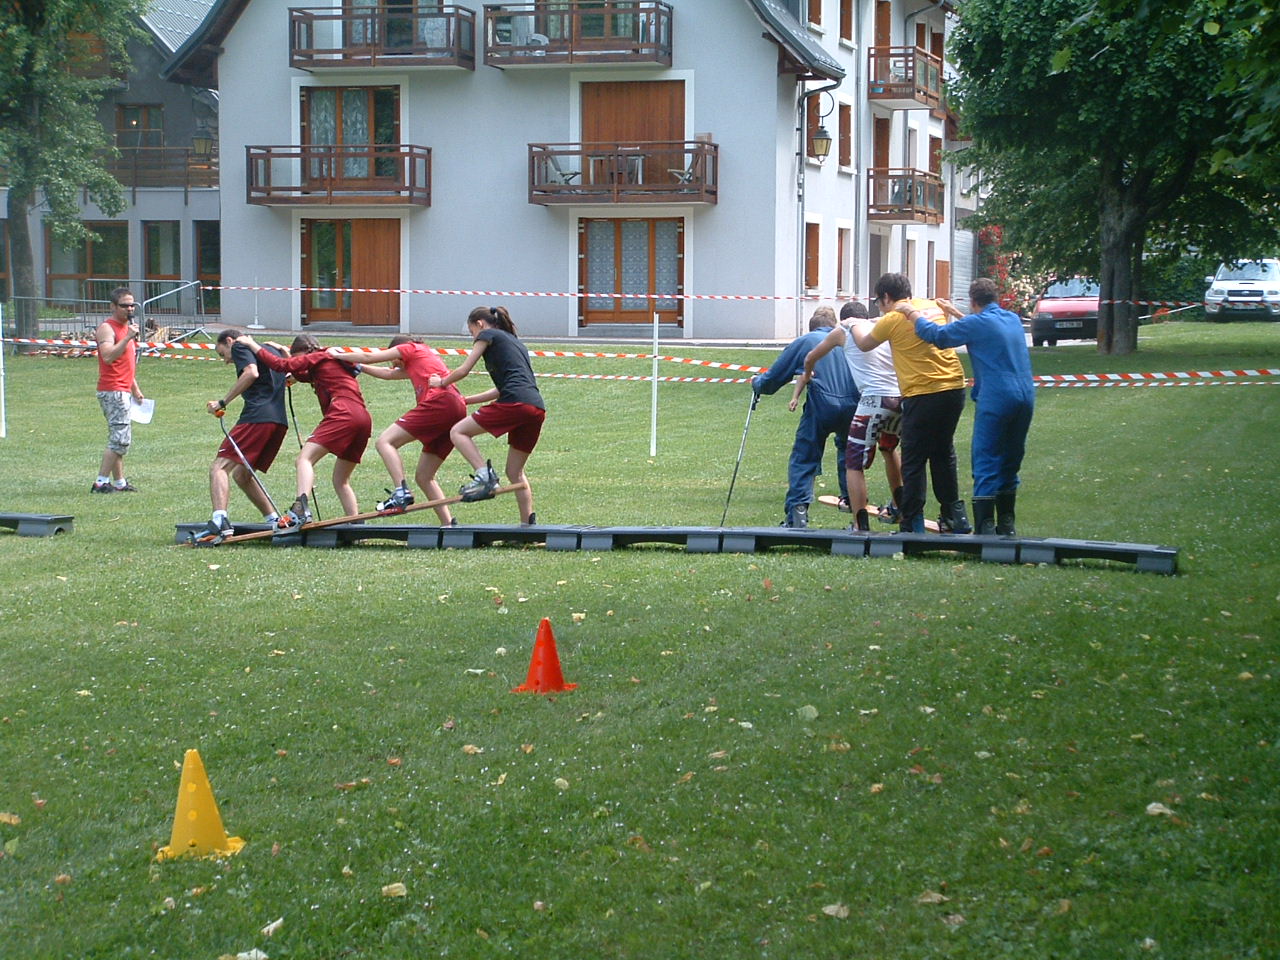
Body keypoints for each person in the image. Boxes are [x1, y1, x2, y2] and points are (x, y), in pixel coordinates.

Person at [847, 273, 970, 534]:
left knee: (914, 458)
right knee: (943, 452)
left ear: (887, 298)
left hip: (923, 393)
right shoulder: (932, 305)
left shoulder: (892, 318)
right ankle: (954, 516)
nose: (879, 307)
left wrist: (853, 324)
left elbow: (864, 344)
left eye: (879, 302)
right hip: (955, 387)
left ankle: (912, 523)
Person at [909, 277, 1034, 535]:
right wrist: (956, 314)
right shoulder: (1011, 319)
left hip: (997, 398)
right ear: (995, 298)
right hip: (1025, 397)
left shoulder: (977, 323)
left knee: (986, 458)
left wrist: (912, 315)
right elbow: (983, 327)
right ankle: (1007, 524)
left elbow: (938, 336)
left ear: (973, 301)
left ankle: (985, 528)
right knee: (1011, 458)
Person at [237, 333, 372, 529]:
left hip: (343, 412)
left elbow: (280, 366)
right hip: (362, 417)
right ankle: (355, 523)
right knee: (340, 479)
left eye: (297, 356)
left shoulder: (321, 355)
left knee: (303, 459)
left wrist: (251, 344)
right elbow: (302, 372)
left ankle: (300, 509)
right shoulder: (326, 362)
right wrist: (286, 352)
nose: (298, 361)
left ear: (306, 351)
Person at [327, 336, 466, 526]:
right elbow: (389, 374)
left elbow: (369, 357)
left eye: (394, 358)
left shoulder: (410, 348)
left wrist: (338, 355)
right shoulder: (420, 359)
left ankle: (401, 490)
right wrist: (360, 368)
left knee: (385, 442)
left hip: (440, 402)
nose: (393, 363)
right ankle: (448, 524)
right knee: (424, 476)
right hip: (456, 407)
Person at [427, 306, 545, 525]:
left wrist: (441, 382)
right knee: (515, 472)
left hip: (516, 403)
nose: (473, 336)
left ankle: (484, 475)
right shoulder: (515, 343)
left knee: (458, 431)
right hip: (535, 407)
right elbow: (501, 389)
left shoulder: (487, 335)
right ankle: (527, 525)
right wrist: (467, 400)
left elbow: (464, 369)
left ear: (479, 324)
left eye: (472, 332)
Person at [798, 300, 903, 532]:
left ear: (844, 319)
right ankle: (900, 509)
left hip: (873, 400)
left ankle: (859, 523)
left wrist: (807, 374)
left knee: (853, 462)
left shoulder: (843, 330)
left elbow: (810, 357)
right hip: (899, 399)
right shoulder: (881, 326)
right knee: (888, 448)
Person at [751, 307, 858, 528]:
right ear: (833, 324)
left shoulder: (805, 341)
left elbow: (774, 377)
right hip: (853, 404)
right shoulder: (848, 339)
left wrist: (757, 384)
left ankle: (798, 514)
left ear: (812, 326)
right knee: (850, 457)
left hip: (821, 405)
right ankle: (856, 513)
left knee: (805, 455)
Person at [189, 328, 290, 544]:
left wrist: (222, 402)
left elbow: (251, 372)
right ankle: (273, 519)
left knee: (219, 467)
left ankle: (219, 523)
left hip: (257, 417)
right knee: (242, 475)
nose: (226, 361)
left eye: (222, 354)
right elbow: (290, 374)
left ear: (228, 341)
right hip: (278, 421)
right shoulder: (271, 349)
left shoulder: (240, 345)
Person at [91, 287, 145, 493]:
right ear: (113, 306)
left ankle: (120, 482)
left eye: (132, 305)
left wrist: (136, 389)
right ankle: (100, 482)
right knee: (120, 439)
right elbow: (108, 356)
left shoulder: (127, 328)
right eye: (124, 305)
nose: (129, 309)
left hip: (123, 388)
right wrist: (127, 338)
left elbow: (126, 364)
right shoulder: (107, 328)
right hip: (112, 389)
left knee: (118, 436)